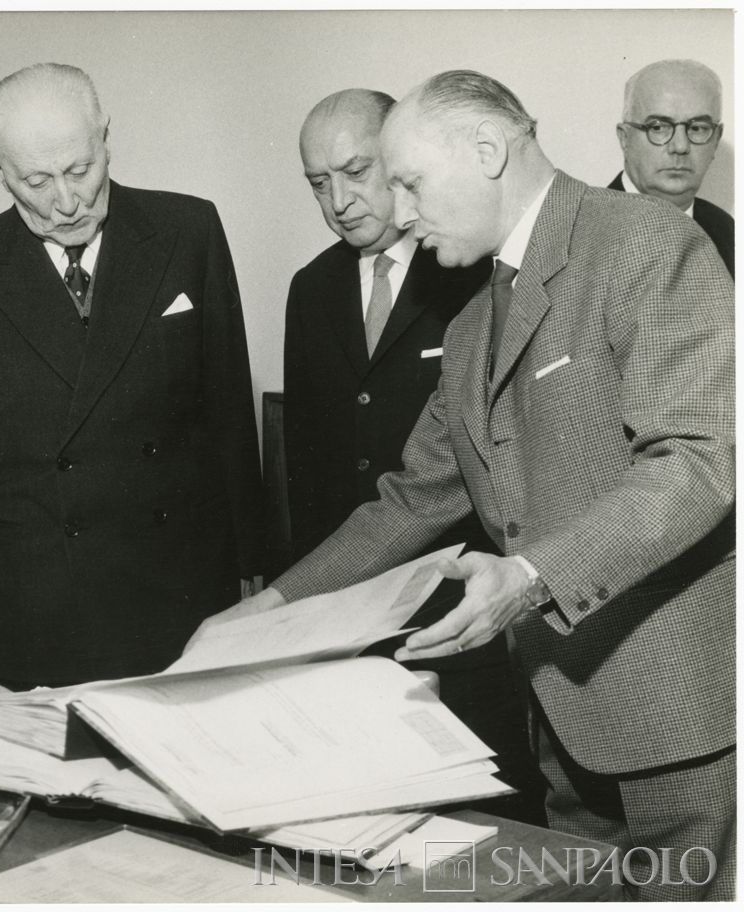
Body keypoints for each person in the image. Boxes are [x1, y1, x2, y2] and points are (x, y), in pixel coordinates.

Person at [192, 70, 734, 901]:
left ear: (487, 150)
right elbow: (412, 499)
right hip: (562, 715)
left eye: (408, 182)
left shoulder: (646, 244)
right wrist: (271, 610)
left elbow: (698, 462)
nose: (399, 212)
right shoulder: (476, 319)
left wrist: (525, 578)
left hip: (675, 720)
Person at [0, 63, 263, 691]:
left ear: (106, 137)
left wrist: (255, 572)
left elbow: (230, 415)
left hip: (180, 580)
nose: (66, 201)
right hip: (38, 595)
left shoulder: (188, 231)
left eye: (79, 170)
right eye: (36, 181)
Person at [285, 88, 541, 823]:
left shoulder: (473, 274)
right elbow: (330, 468)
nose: (341, 200)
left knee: (500, 816)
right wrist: (290, 603)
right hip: (356, 599)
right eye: (317, 183)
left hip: (471, 603)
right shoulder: (313, 289)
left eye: (361, 171)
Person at [611, 58, 733, 275]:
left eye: (697, 128)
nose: (680, 146)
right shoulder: (580, 232)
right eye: (658, 127)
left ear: (716, 139)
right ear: (624, 138)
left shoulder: (728, 232)